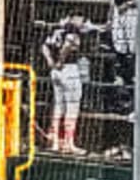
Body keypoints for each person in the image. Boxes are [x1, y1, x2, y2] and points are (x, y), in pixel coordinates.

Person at [42, 15, 103, 153]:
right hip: (69, 69)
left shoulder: (56, 30)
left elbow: (44, 47)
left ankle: (55, 142)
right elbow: (68, 45)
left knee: (58, 106)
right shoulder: (72, 30)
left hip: (55, 72)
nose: (82, 21)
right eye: (80, 18)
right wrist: (60, 61)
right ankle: (69, 143)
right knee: (72, 108)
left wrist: (50, 61)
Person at [107, 0, 139, 83]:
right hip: (117, 10)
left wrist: (128, 4)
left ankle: (134, 74)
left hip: (131, 10)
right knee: (119, 43)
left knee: (132, 44)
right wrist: (110, 13)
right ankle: (120, 75)